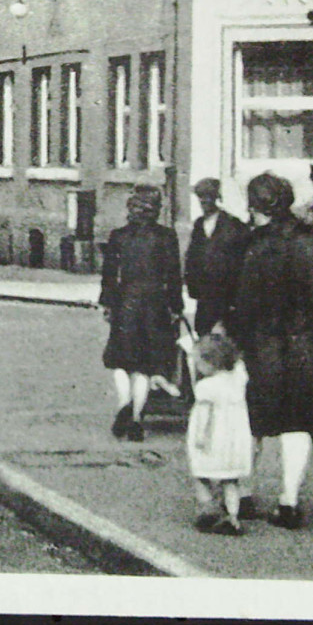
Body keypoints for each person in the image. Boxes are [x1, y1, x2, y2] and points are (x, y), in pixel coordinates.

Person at [225, 172, 313, 530]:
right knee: (299, 424)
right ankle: (289, 501)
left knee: (252, 425)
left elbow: (243, 304)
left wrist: (238, 344)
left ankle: (243, 494)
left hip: (264, 348)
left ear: (256, 206)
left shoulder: (253, 247)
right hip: (310, 349)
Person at [99, 186, 182, 443]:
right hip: (155, 304)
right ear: (156, 210)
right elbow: (174, 276)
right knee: (144, 366)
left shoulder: (118, 236)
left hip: (126, 302)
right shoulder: (167, 237)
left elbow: (109, 275)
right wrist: (175, 306)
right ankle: (136, 419)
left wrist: (108, 304)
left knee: (120, 361)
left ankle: (124, 403)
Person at [187, 331, 254, 536]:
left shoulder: (206, 387)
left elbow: (205, 416)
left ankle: (208, 508)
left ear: (209, 363)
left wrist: (199, 437)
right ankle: (232, 517)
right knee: (230, 481)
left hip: (213, 439)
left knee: (200, 475)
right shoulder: (238, 380)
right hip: (235, 441)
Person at [183, 178, 248, 337]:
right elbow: (192, 257)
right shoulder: (199, 225)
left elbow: (241, 261)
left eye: (208, 196)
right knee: (204, 334)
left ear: (216, 197)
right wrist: (193, 286)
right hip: (205, 296)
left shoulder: (233, 225)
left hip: (226, 296)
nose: (204, 201)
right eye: (201, 197)